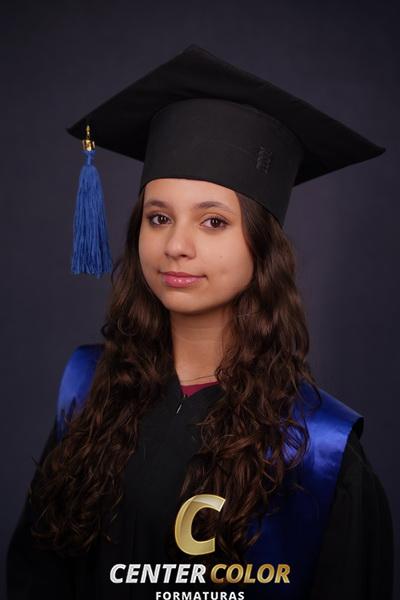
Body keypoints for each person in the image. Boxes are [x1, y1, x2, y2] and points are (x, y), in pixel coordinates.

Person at [6, 45, 394, 600]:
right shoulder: (88, 392)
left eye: (213, 221)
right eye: (158, 217)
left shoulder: (318, 450)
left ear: (262, 246)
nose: (176, 245)